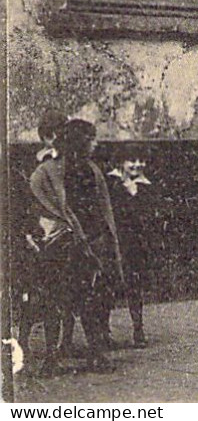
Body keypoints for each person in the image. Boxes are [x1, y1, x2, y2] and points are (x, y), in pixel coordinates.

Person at [29, 119, 123, 372]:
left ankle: (93, 354)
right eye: (91, 139)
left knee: (86, 300)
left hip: (87, 241)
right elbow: (49, 204)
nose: (96, 143)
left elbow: (98, 208)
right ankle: (55, 358)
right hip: (65, 243)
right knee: (62, 300)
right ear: (79, 142)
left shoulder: (89, 169)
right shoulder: (51, 171)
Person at [106, 159, 153, 346]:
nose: (137, 164)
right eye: (131, 161)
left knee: (134, 286)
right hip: (113, 241)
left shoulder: (143, 185)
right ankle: (104, 333)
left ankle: (138, 328)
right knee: (107, 286)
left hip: (133, 244)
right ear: (121, 163)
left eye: (141, 160)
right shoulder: (111, 183)